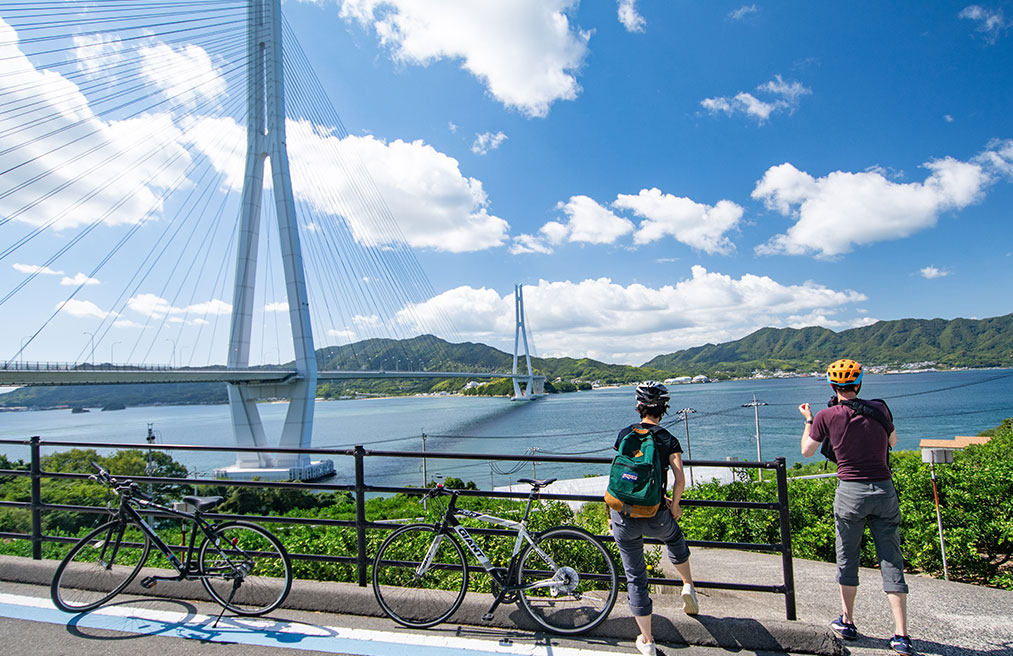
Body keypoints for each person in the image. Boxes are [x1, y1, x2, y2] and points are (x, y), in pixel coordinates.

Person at [798, 359, 914, 656]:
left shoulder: (826, 415)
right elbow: (894, 442)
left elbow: (807, 452)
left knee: (848, 557)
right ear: (859, 384)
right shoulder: (881, 409)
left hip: (850, 493)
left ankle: (848, 621)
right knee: (891, 559)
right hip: (884, 489)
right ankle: (901, 634)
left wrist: (809, 420)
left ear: (833, 386)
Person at [610, 381, 698, 656]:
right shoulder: (668, 439)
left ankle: (647, 640)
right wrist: (674, 506)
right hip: (655, 512)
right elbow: (680, 479)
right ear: (664, 409)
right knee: (674, 538)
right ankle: (687, 585)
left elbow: (623, 475)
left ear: (639, 407)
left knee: (635, 576)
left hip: (623, 514)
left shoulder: (625, 434)